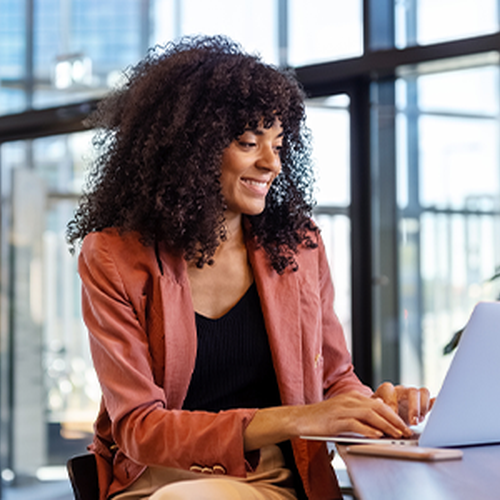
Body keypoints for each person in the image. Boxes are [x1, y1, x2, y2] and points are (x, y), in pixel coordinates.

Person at [67, 35, 431, 500]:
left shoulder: (297, 247)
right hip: (164, 479)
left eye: (278, 144)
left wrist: (377, 407)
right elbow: (140, 427)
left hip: (279, 477)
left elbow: (335, 379)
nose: (271, 163)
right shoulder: (114, 257)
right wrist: (299, 418)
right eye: (248, 142)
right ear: (188, 150)